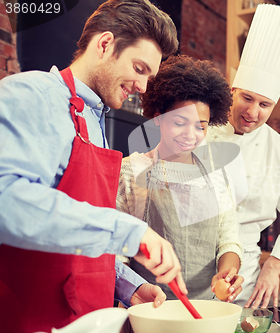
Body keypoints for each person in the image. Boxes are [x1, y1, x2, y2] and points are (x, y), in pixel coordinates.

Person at [0, 1, 187, 331]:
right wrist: (131, 233)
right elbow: (7, 202)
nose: (143, 87)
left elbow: (74, 235)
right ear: (105, 44)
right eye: (140, 68)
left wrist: (127, 284)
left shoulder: (95, 120)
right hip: (33, 319)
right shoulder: (32, 95)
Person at [206, 4, 280, 309]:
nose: (253, 113)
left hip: (244, 276)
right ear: (233, 90)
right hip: (184, 267)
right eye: (247, 98)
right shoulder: (198, 132)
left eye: (265, 105)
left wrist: (274, 265)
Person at [117, 55, 244, 302]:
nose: (191, 135)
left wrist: (228, 272)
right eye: (179, 122)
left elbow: (228, 240)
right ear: (157, 118)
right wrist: (129, 293)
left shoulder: (216, 175)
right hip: (149, 308)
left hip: (205, 311)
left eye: (201, 126)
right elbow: (118, 249)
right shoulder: (131, 171)